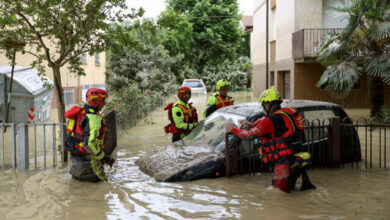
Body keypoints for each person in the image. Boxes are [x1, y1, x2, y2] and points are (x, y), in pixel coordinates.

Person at [225, 88, 315, 193]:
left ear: (268, 105)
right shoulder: (285, 115)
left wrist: (233, 129)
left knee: (278, 197)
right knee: (288, 191)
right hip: (294, 160)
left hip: (283, 164)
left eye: (263, 106)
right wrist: (249, 123)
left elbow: (249, 136)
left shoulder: (270, 120)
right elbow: (262, 122)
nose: (263, 109)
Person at [64, 88, 115, 182]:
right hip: (88, 165)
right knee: (104, 187)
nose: (104, 103)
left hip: (73, 165)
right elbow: (90, 143)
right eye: (103, 100)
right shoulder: (93, 118)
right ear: (96, 100)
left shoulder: (80, 113)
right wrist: (104, 158)